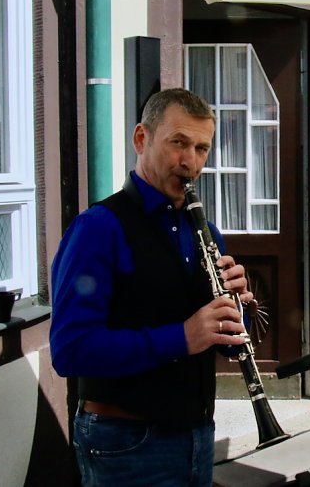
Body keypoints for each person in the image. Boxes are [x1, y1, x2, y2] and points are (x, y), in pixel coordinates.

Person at [50, 88, 253, 486]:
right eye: (178, 142)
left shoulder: (206, 232)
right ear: (141, 139)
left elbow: (223, 343)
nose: (190, 162)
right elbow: (70, 351)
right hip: (126, 440)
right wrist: (182, 337)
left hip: (197, 434)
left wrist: (236, 312)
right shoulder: (99, 228)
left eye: (201, 148)